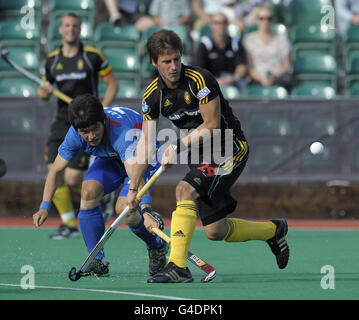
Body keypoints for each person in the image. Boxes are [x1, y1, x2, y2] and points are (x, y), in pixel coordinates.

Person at [126, 29, 290, 283]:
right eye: (166, 61)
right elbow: (146, 145)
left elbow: (212, 124)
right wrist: (133, 190)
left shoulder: (199, 80)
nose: (173, 67)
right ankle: (273, 230)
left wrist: (177, 146)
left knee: (184, 190)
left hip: (228, 148)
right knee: (215, 230)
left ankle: (177, 267)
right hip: (199, 155)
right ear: (153, 62)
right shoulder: (152, 96)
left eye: (177, 59)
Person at [33, 94, 167, 277]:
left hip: (143, 159)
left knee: (125, 209)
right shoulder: (75, 133)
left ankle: (156, 246)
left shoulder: (120, 133)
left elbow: (135, 174)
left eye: (95, 129)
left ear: (103, 121)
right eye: (85, 132)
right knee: (88, 192)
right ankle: (98, 260)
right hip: (111, 158)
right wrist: (44, 206)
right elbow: (56, 170)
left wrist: (146, 208)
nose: (91, 136)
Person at [37, 13, 118, 239]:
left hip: (86, 122)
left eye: (75, 26)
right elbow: (44, 90)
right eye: (66, 26)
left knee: (72, 178)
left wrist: (100, 110)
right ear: (60, 30)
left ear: (80, 29)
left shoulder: (93, 56)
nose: (71, 29)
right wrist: (43, 93)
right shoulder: (51, 60)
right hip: (63, 120)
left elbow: (112, 84)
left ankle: (102, 194)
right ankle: (69, 224)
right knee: (53, 170)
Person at [243, 4, 292, 92]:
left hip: (279, 80)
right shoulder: (249, 39)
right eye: (262, 18)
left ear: (273, 20)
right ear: (257, 20)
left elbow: (286, 66)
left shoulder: (282, 39)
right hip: (256, 81)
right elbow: (250, 67)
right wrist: (261, 79)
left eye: (269, 18)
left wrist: (274, 76)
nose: (266, 22)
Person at [196, 12, 247, 91]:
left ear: (227, 24)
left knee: (243, 84)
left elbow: (242, 67)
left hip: (233, 81)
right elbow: (199, 69)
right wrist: (215, 81)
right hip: (210, 82)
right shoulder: (205, 44)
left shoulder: (235, 43)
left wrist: (233, 78)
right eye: (217, 23)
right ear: (211, 25)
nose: (221, 26)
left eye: (224, 22)